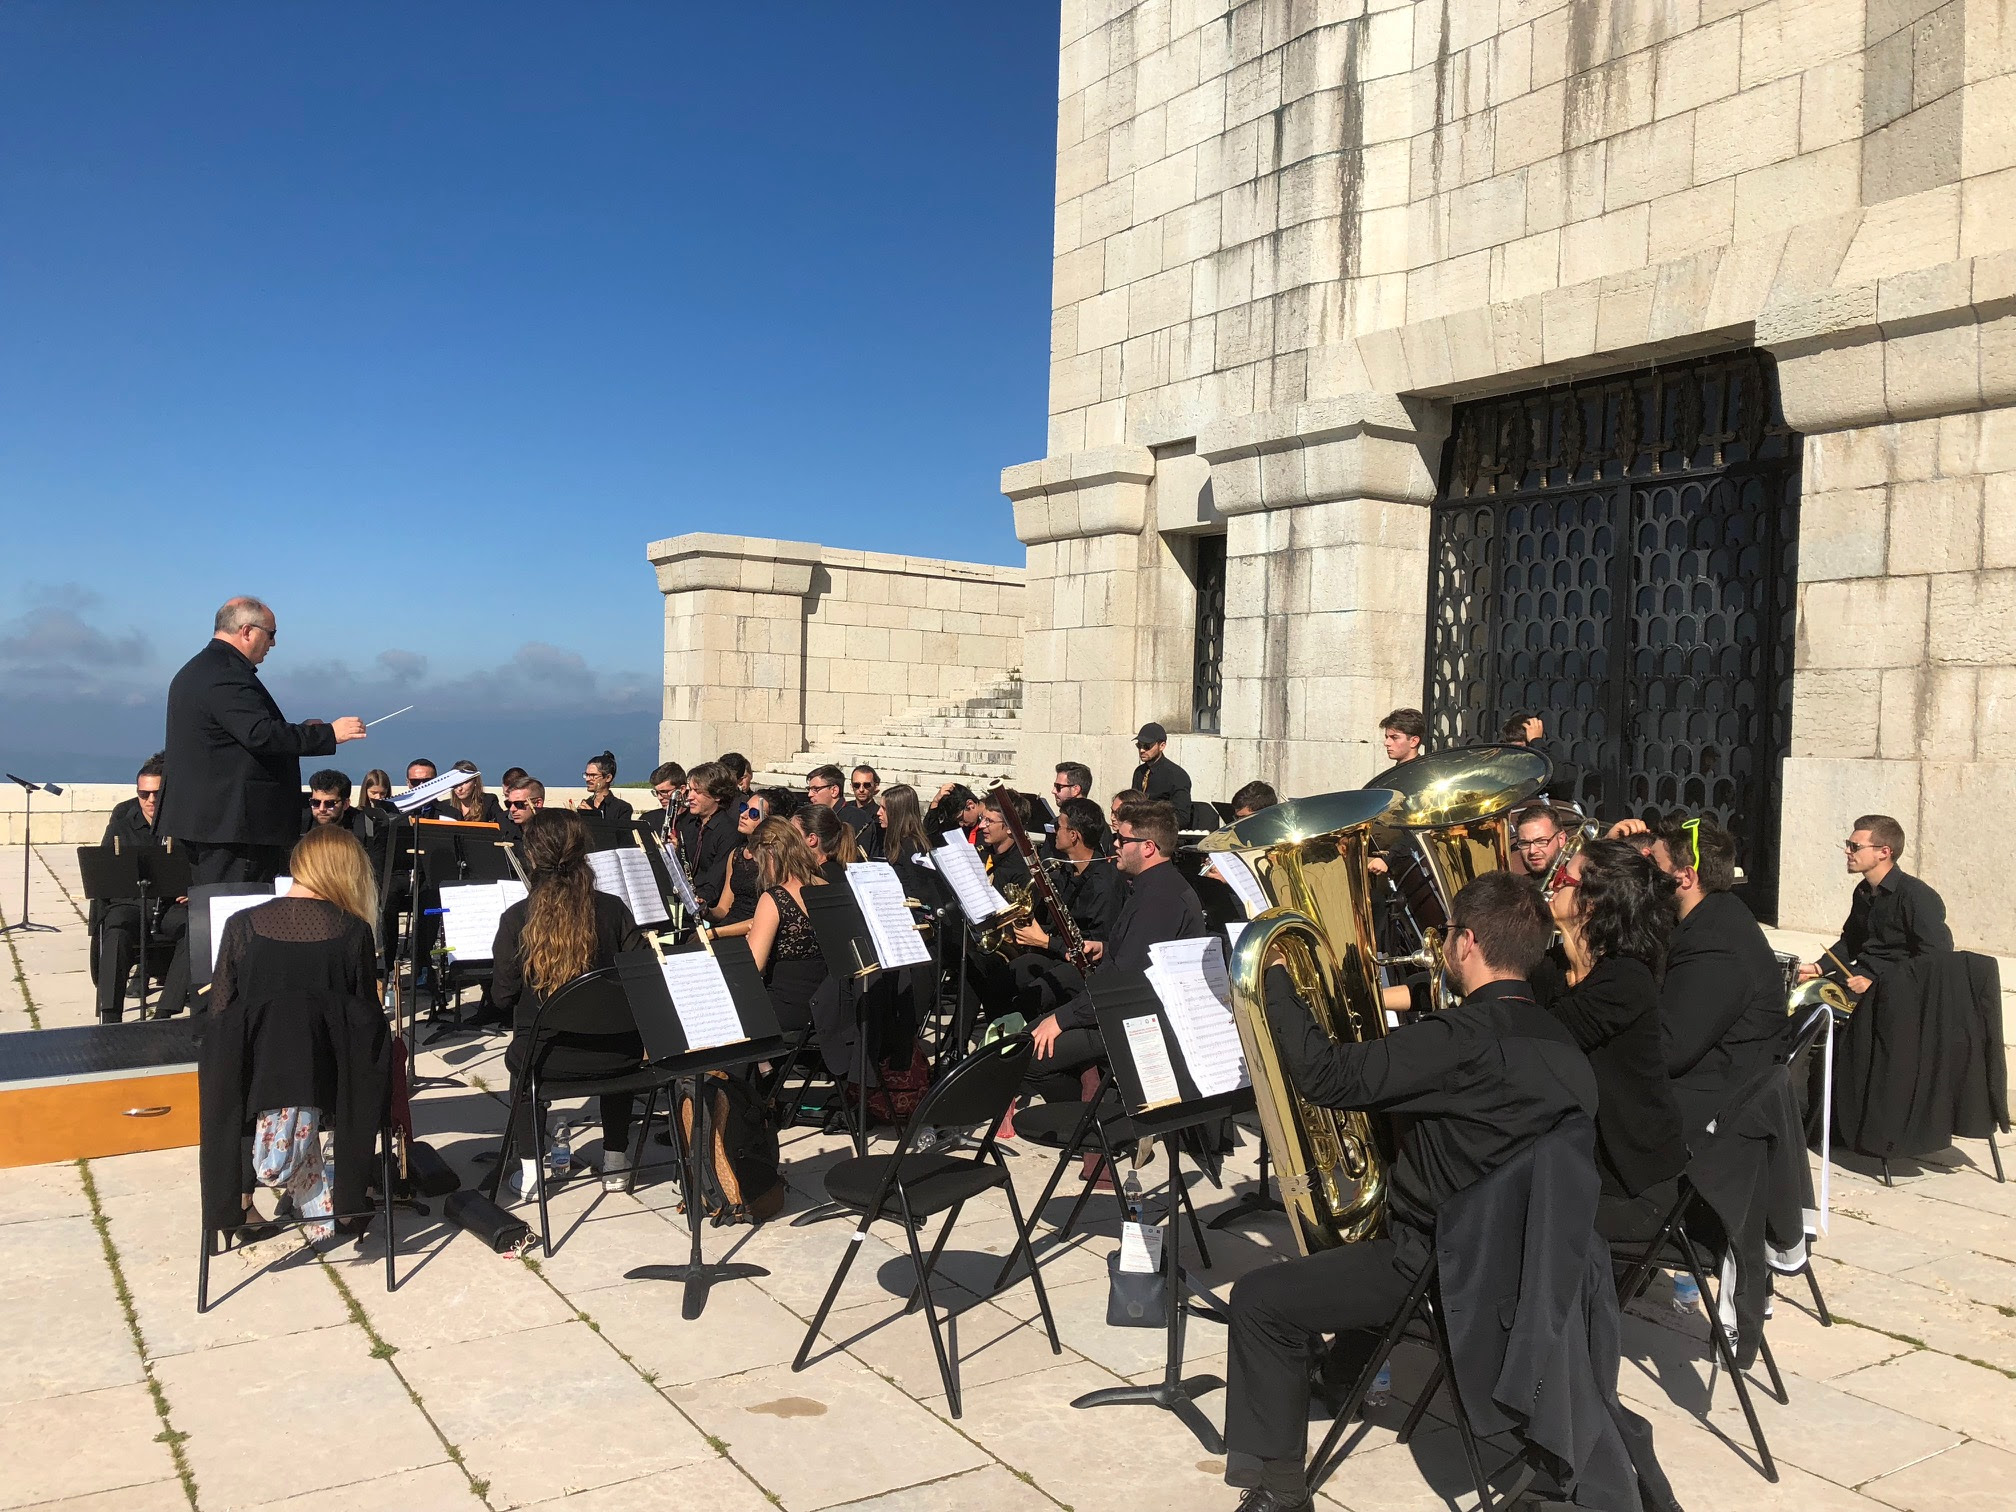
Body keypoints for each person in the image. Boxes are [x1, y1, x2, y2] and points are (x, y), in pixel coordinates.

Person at [1221, 871, 1598, 1509]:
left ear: (1468, 943)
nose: (1439, 947)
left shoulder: (1457, 1042)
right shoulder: (1563, 1044)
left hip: (1438, 1266)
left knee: (1260, 1299)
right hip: (1533, 1267)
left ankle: (1278, 1491)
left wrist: (1271, 979)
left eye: (1446, 936)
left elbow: (1325, 1076)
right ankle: (1342, 1377)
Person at [204, 823, 383, 1238]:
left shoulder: (241, 925)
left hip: (254, 1081)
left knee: (232, 1062)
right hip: (329, 1079)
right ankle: (351, 1196)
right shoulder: (353, 931)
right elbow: (365, 1019)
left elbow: (220, 1016)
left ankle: (239, 1205)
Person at [1533, 839, 1689, 1234]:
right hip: (1581, 1160)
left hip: (1631, 1181)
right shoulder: (1555, 965)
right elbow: (1496, 995)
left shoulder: (1625, 979)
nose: (1553, 885)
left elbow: (1539, 1039)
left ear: (1592, 902)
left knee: (1498, 1211)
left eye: (1564, 878)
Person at [492, 811, 649, 1199]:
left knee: (521, 1063)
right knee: (618, 1034)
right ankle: (616, 1161)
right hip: (617, 1058)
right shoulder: (613, 910)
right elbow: (644, 979)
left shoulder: (517, 918)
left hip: (547, 1058)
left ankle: (530, 1173)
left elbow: (503, 996)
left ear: (531, 857)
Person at [160, 596, 366, 885]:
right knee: (235, 912)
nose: (273, 644)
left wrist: (298, 729)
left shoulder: (202, 669)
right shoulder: (225, 675)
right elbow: (259, 734)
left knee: (216, 913)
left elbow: (241, 733)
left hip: (213, 822)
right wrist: (329, 733)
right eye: (271, 634)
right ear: (247, 631)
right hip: (232, 826)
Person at [1027, 800, 1204, 1085]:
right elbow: (1143, 953)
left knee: (1027, 1053)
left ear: (1147, 847)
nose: (1115, 844)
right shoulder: (1157, 887)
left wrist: (1062, 1019)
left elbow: (1123, 985)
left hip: (1134, 1022)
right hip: (1120, 1006)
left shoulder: (1158, 900)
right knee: (1034, 1026)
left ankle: (1093, 1121)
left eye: (1122, 839)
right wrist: (1106, 948)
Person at [1641, 817, 1787, 1137]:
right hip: (1708, 1084)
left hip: (1713, 1110)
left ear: (1686, 877)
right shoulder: (1713, 915)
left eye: (1654, 864)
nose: (1645, 873)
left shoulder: (1714, 943)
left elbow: (1669, 1051)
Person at [1800, 814, 1951, 995]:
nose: (1847, 851)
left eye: (1855, 846)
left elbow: (1935, 959)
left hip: (1893, 993)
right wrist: (1819, 967)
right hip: (1856, 980)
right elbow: (1851, 942)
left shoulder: (1917, 895)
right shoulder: (1862, 891)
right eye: (1848, 844)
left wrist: (1879, 985)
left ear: (1884, 852)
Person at [93, 753, 191, 1023]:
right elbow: (105, 874)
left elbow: (196, 866)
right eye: (143, 794)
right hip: (132, 904)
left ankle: (164, 1012)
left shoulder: (184, 824)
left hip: (170, 905)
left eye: (156, 794)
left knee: (195, 928)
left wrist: (190, 889)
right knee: (115, 928)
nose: (150, 801)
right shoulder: (120, 826)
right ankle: (111, 1015)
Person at [745, 817, 831, 1041]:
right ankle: (763, 1066)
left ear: (770, 856)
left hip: (786, 1008)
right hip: (825, 1006)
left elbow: (753, 968)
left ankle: (741, 1071)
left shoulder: (774, 898)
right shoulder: (825, 886)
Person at [1012, 797, 1126, 952]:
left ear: (1073, 835)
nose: (1055, 832)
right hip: (1058, 952)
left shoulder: (1104, 883)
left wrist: (1046, 941)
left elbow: (1097, 943)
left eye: (1059, 827)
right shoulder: (1065, 869)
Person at [707, 789, 775, 939]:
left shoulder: (773, 858)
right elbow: (723, 909)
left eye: (753, 814)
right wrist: (705, 911)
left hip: (751, 933)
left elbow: (768, 918)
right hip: (726, 927)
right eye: (744, 808)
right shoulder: (736, 854)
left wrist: (716, 933)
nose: (743, 815)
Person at [305, 768, 395, 874]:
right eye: (315, 802)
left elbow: (375, 873)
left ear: (346, 804)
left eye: (330, 803)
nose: (321, 809)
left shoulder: (368, 827)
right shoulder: (301, 824)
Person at [681, 762, 742, 905]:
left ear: (717, 795)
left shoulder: (729, 832)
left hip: (708, 908)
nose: (690, 797)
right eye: (690, 790)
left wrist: (696, 901)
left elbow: (715, 884)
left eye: (697, 791)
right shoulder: (690, 825)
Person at [1131, 722, 1193, 818]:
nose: (1142, 750)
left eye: (1147, 746)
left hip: (1160, 829)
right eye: (1139, 745)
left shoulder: (1177, 776)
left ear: (1162, 746)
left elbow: (1182, 817)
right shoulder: (1139, 772)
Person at [794, 801, 861, 885]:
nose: (788, 837)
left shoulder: (819, 877)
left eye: (793, 832)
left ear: (812, 839)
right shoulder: (838, 869)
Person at [1510, 803, 1571, 880]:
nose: (1532, 851)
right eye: (1525, 843)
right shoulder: (1518, 887)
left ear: (1561, 839)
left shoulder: (1582, 881)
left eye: (1541, 841)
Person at [877, 783, 931, 866]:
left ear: (897, 813)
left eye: (884, 809)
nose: (878, 813)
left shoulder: (910, 847)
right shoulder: (898, 840)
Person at [838, 765, 884, 859]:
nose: (861, 789)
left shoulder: (880, 814)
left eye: (867, 785)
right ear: (851, 787)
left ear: (875, 786)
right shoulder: (844, 808)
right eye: (856, 785)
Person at [576, 751, 633, 825]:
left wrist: (593, 816)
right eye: (586, 775)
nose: (587, 779)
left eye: (593, 775)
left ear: (608, 778)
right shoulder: (586, 804)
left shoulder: (622, 808)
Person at [442, 761, 505, 826]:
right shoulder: (445, 806)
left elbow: (502, 824)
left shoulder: (488, 802)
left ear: (475, 781)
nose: (459, 788)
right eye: (456, 783)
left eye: (464, 782)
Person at [641, 762, 687, 842]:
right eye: (657, 792)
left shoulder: (696, 822)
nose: (659, 797)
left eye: (664, 792)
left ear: (682, 789)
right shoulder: (648, 820)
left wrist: (678, 850)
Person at [502, 779, 545, 855]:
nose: (512, 809)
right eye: (508, 804)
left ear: (538, 803)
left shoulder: (552, 836)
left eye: (519, 804)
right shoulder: (507, 835)